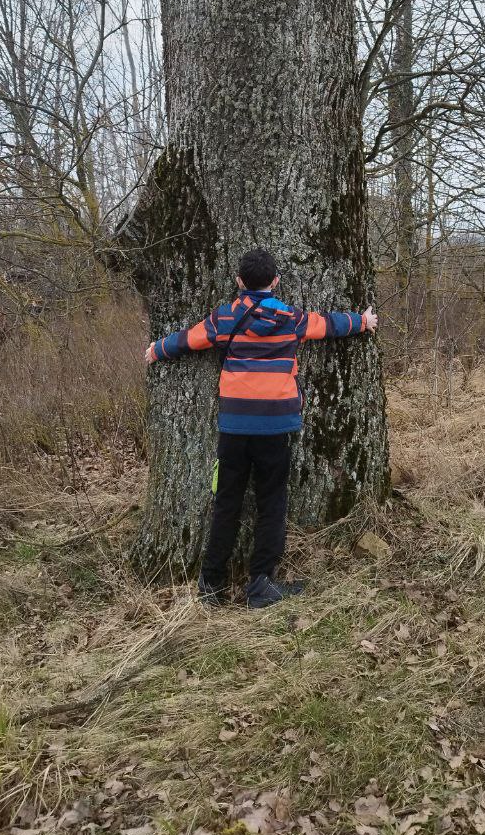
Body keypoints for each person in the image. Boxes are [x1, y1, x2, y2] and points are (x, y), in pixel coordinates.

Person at [145, 247, 378, 609]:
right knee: (272, 502)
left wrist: (158, 349)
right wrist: (362, 321)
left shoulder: (225, 317)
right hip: (276, 424)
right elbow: (328, 325)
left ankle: (210, 585)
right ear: (276, 281)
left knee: (226, 502)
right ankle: (260, 585)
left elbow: (190, 339)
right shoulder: (291, 317)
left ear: (239, 281)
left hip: (235, 426)